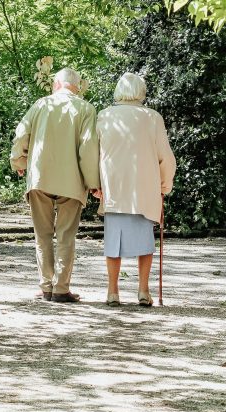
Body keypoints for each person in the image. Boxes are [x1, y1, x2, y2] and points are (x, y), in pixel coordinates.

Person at [10, 68, 100, 303]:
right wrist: (93, 183)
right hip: (72, 182)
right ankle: (61, 289)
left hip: (40, 179)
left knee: (42, 236)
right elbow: (88, 149)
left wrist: (19, 161)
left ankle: (46, 286)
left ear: (57, 84)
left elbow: (21, 135)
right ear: (77, 87)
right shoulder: (86, 109)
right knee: (66, 236)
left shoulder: (40, 105)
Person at [95, 72, 176, 307]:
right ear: (141, 92)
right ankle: (143, 290)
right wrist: (164, 185)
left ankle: (112, 291)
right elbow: (166, 157)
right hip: (144, 188)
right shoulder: (152, 118)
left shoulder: (105, 116)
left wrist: (95, 184)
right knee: (145, 241)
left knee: (113, 242)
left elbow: (94, 153)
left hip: (114, 187)